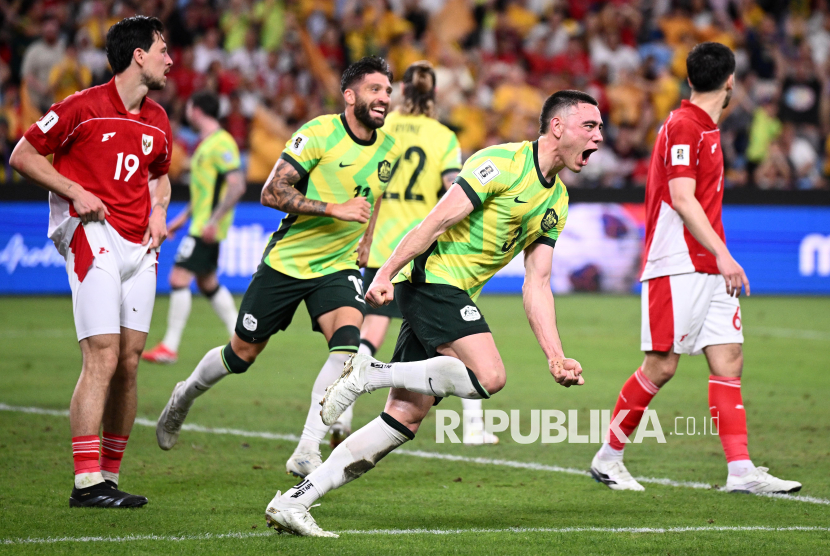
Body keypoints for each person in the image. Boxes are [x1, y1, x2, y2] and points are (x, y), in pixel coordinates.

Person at [264, 90, 603, 537]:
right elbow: (435, 221)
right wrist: (385, 272)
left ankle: (295, 500)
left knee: (402, 419)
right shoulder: (501, 164)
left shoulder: (555, 201)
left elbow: (537, 282)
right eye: (590, 126)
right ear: (558, 127)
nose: (599, 138)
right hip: (431, 280)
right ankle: (370, 372)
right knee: (490, 376)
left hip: (450, 291)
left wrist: (555, 355)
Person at [155, 57, 402, 480]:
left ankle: (307, 448)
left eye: (387, 91)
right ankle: (185, 394)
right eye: (375, 89)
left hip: (337, 267)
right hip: (287, 264)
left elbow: (372, 195)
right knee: (242, 353)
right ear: (350, 96)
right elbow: (272, 191)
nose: (384, 98)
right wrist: (333, 209)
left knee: (346, 349)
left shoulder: (388, 149)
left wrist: (365, 240)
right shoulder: (318, 133)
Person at [589, 42, 801, 495]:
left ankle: (741, 471)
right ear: (731, 82)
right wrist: (724, 254)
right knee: (661, 366)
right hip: (678, 263)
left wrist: (719, 257)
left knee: (728, 360)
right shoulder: (685, 126)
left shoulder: (703, 127)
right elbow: (683, 198)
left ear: (690, 79)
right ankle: (608, 457)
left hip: (709, 264)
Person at [10, 16, 173, 508]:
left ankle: (108, 477)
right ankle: (86, 483)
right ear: (137, 56)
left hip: (141, 245)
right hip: (92, 233)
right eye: (163, 49)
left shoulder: (159, 120)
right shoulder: (81, 107)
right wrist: (75, 190)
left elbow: (159, 177)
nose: (170, 59)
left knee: (128, 361)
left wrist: (161, 210)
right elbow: (22, 154)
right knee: (102, 352)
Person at [332, 60, 497, 447]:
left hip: (380, 242)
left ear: (402, 92)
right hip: (423, 251)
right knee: (459, 334)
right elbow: (453, 191)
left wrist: (366, 239)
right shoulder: (443, 137)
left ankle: (343, 408)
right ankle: (472, 425)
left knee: (372, 329)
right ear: (434, 94)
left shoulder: (384, 129)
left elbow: (370, 187)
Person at [142, 91, 244, 364]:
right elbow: (203, 192)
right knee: (207, 282)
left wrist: (212, 221)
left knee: (178, 278)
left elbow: (237, 185)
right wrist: (181, 219)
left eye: (188, 107)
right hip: (200, 224)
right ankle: (241, 336)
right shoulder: (205, 143)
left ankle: (170, 347)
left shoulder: (222, 143)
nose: (187, 111)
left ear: (197, 110)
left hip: (206, 228)